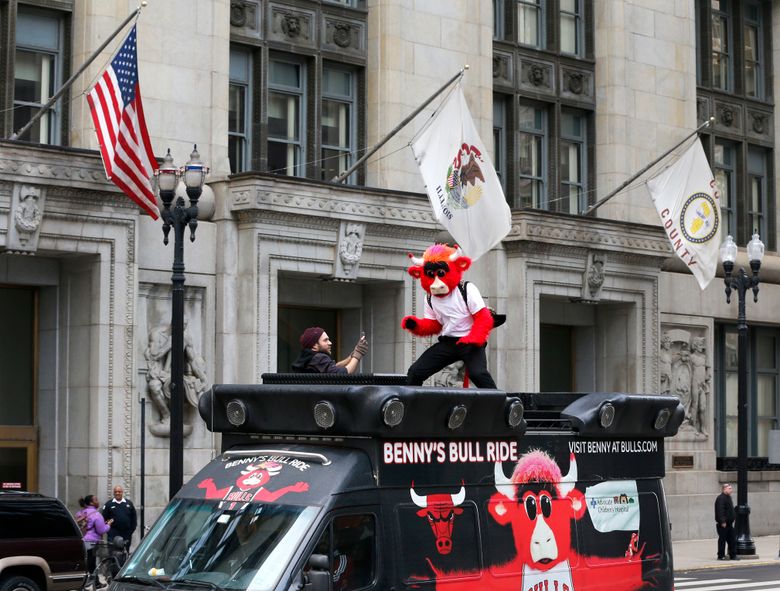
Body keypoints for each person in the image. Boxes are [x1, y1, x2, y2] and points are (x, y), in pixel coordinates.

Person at [291, 327, 368, 374]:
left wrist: (352, 356)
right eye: (325, 340)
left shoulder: (309, 357)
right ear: (314, 345)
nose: (330, 343)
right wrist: (358, 353)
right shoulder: (319, 358)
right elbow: (345, 373)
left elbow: (333, 368)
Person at [79, 494, 111, 574]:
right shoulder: (96, 515)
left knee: (86, 562)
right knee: (91, 563)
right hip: (91, 542)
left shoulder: (80, 513)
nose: (98, 502)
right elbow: (101, 530)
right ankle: (94, 581)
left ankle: (93, 581)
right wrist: (108, 525)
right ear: (91, 503)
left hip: (81, 540)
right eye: (96, 500)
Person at [102, 485, 137, 554]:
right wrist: (109, 532)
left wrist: (130, 532)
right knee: (113, 554)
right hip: (113, 535)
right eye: (116, 492)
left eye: (119, 492)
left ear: (122, 492)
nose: (117, 493)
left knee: (125, 553)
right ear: (113, 493)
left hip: (126, 534)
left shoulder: (129, 503)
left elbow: (134, 519)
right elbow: (103, 519)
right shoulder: (108, 504)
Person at [714, 483, 738, 560]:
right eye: (729, 488)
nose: (731, 490)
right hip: (723, 524)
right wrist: (722, 521)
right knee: (722, 540)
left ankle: (733, 555)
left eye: (731, 488)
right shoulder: (721, 498)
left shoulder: (728, 497)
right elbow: (720, 511)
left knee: (732, 539)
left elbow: (730, 510)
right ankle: (721, 555)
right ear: (724, 489)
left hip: (729, 524)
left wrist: (733, 517)